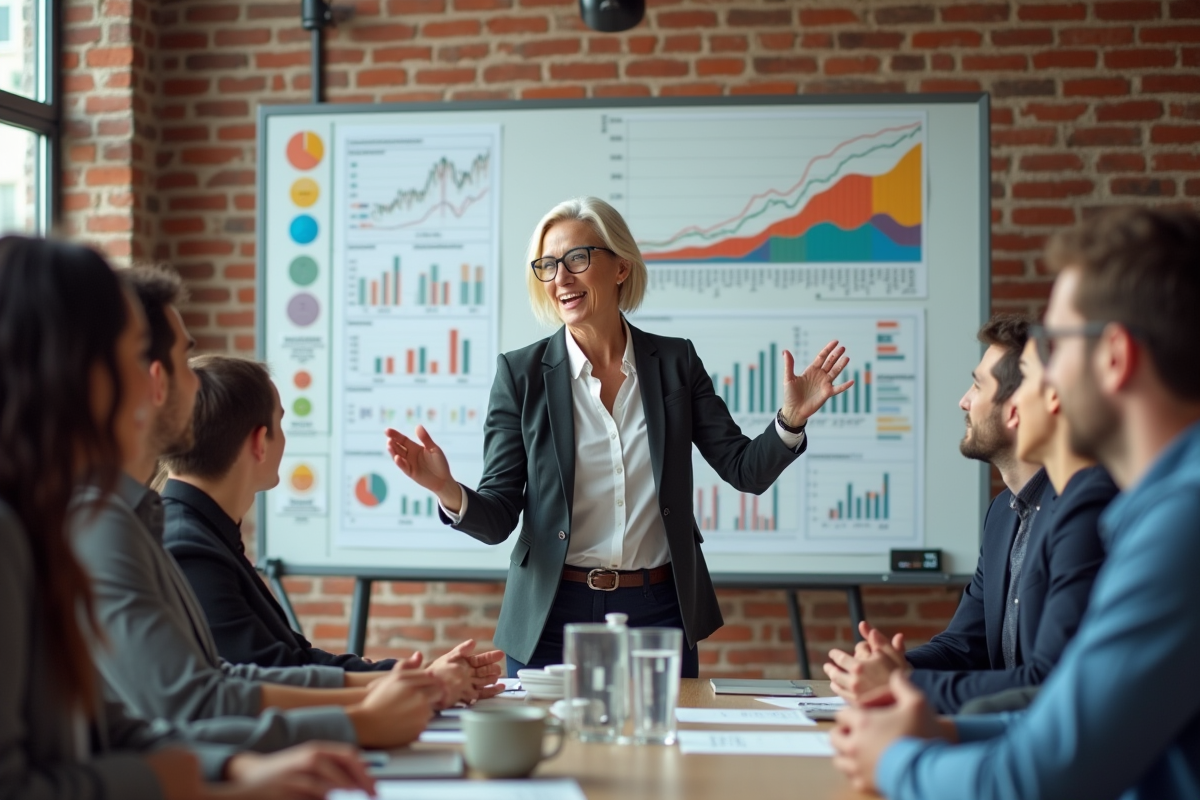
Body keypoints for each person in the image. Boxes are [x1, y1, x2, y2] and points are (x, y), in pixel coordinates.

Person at [385, 196, 854, 677]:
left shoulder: (676, 363)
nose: (560, 278)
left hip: (658, 610)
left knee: (662, 747)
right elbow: (498, 518)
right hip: (551, 613)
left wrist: (790, 421)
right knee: (552, 753)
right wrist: (446, 489)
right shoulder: (520, 375)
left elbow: (743, 470)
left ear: (620, 268)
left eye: (577, 259)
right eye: (547, 266)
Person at [831, 207, 1200, 799]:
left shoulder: (1181, 524)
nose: (1040, 377)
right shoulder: (1156, 510)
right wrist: (946, 729)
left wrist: (897, 759)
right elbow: (1067, 721)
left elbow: (1042, 773)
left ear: (1114, 356)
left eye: (1054, 343)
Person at [0, 235, 376, 799]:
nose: (160, 383)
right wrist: (173, 779)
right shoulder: (41, 531)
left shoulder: (51, 523)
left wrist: (229, 772)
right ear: (78, 371)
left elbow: (110, 728)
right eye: (134, 356)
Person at [71, 265, 448, 751]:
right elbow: (194, 703)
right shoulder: (136, 532)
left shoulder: (143, 520)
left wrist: (393, 686)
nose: (196, 384)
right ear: (154, 380)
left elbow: (212, 684)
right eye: (186, 364)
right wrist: (362, 719)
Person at [160, 354, 505, 694]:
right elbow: (271, 675)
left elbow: (295, 659)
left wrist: (417, 675)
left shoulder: (201, 531)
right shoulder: (189, 549)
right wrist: (423, 683)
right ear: (258, 443)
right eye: (280, 425)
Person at [826, 316, 1115, 713]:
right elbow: (964, 645)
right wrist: (894, 667)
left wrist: (904, 684)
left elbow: (1049, 681)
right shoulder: (1002, 514)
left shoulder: (1081, 511)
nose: (964, 400)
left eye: (978, 385)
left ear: (1014, 411)